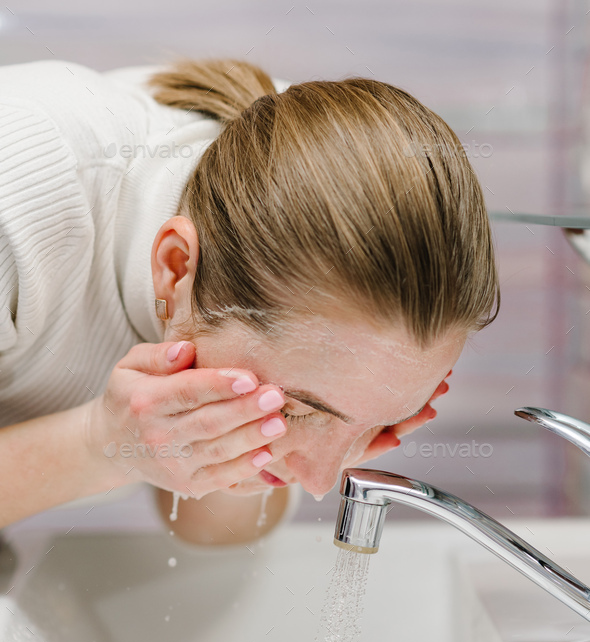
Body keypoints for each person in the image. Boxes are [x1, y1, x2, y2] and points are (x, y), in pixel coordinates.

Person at [0, 56, 499, 546]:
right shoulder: (20, 193)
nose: (323, 483)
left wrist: (261, 452)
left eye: (382, 423)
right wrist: (99, 445)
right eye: (300, 409)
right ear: (176, 269)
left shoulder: (315, 189)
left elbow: (212, 533)